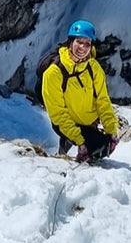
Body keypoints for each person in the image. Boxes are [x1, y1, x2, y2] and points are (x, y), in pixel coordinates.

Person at [42, 19, 119, 162]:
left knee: (101, 149)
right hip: (65, 124)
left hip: (90, 123)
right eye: (79, 41)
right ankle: (67, 148)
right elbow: (58, 115)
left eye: (87, 44)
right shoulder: (53, 73)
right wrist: (79, 140)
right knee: (88, 150)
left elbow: (103, 100)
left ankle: (73, 148)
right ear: (70, 42)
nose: (83, 47)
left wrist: (111, 130)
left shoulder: (93, 68)